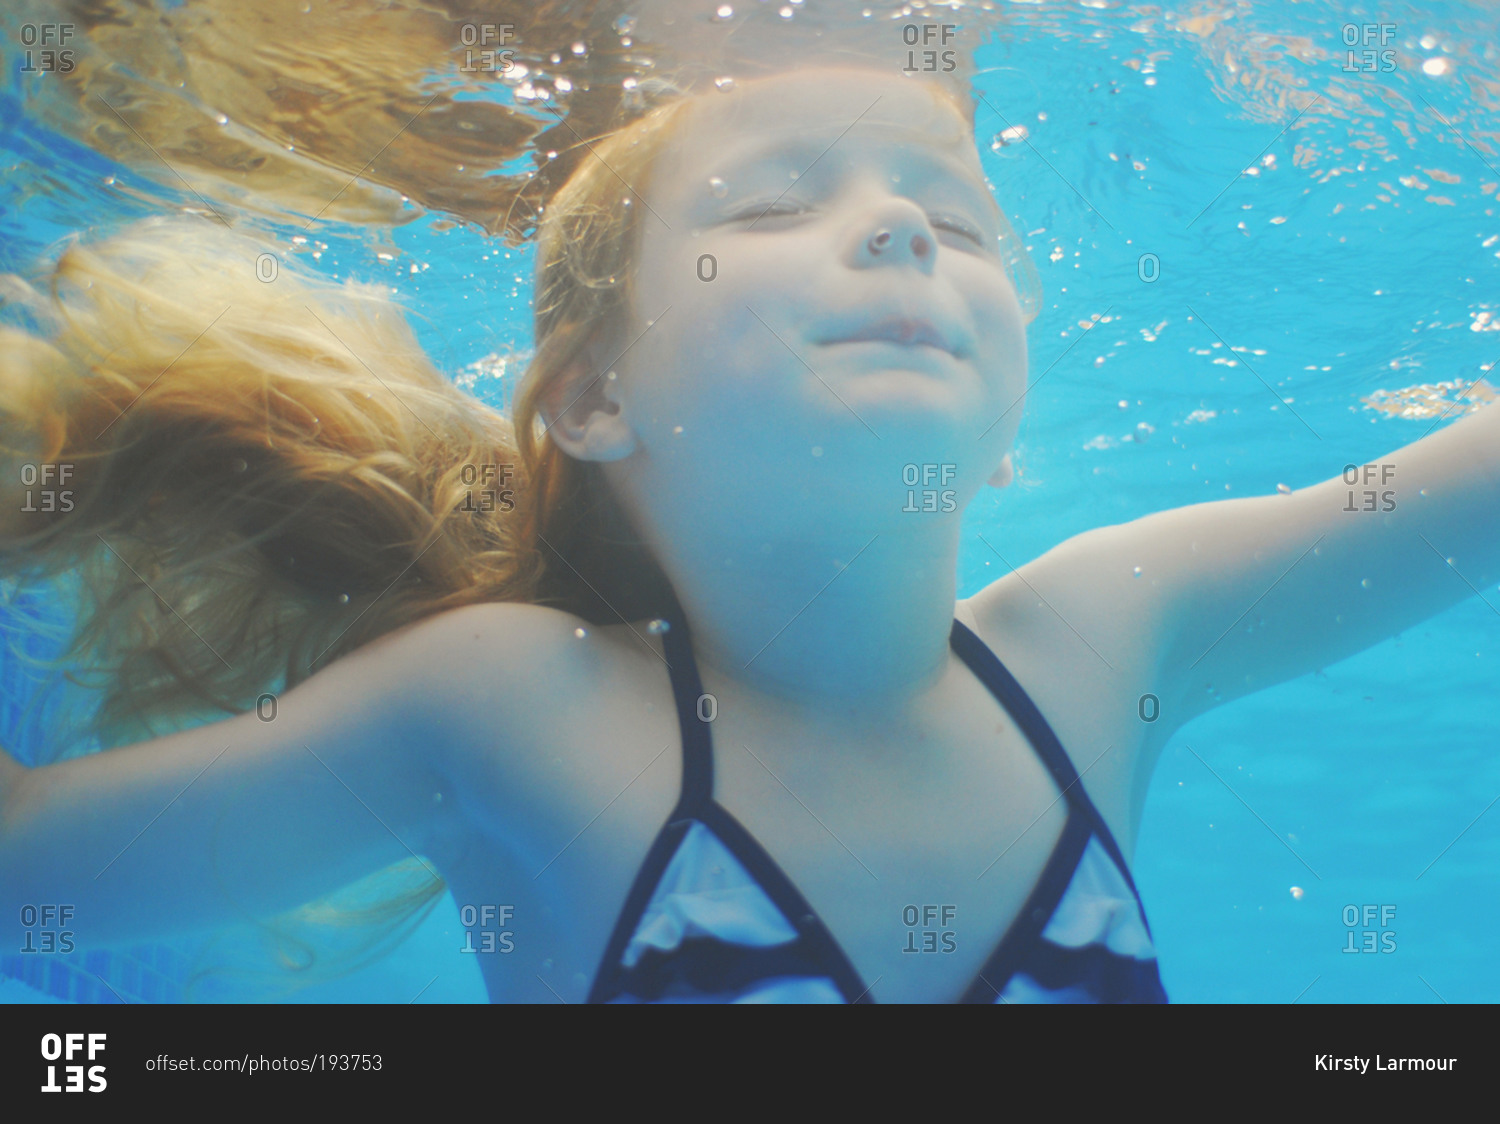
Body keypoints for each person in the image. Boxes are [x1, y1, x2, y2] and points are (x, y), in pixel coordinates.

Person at [2, 59, 1496, 1003]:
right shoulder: (517, 705)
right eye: (777, 205)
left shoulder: (1106, 637)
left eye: (963, 225)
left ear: (1005, 430)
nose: (906, 229)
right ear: (594, 396)